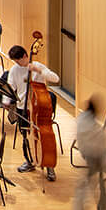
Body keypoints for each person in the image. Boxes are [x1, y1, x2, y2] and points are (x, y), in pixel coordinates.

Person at [6, 45, 63, 180]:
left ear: (26, 56)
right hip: (23, 107)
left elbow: (56, 79)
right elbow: (10, 86)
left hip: (39, 109)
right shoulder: (14, 70)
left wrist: (39, 71)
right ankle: (30, 161)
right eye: (15, 61)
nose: (18, 64)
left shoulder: (38, 66)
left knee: (44, 136)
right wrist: (6, 101)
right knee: (25, 135)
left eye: (19, 61)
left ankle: (49, 165)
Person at [72, 93, 106, 210]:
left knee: (86, 184)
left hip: (86, 154)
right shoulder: (93, 125)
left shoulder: (81, 119)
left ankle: (80, 209)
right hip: (97, 156)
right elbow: (102, 143)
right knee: (101, 184)